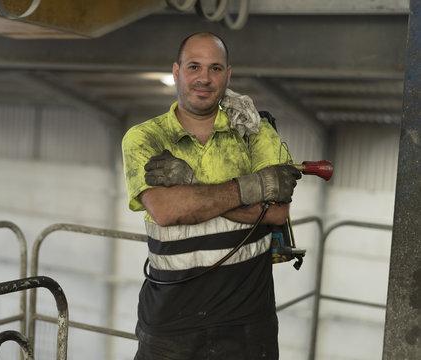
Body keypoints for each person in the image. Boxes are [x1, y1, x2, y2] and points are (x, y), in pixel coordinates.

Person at [121, 32, 301, 360]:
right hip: (169, 322)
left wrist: (190, 184)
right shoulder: (145, 137)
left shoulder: (255, 131)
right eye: (194, 67)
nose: (204, 78)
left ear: (228, 75)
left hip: (247, 320)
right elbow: (166, 210)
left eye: (215, 68)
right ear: (176, 71)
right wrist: (251, 188)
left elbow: (275, 213)